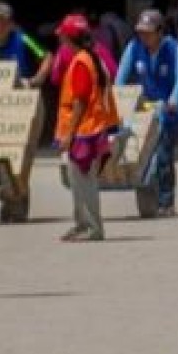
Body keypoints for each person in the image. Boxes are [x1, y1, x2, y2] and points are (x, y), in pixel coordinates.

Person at [116, 10, 178, 216]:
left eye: (148, 32)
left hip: (167, 112)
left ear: (159, 32)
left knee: (164, 156)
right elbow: (121, 76)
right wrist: (119, 95)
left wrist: (174, 99)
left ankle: (167, 202)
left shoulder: (173, 48)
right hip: (142, 110)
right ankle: (147, 197)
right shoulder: (133, 48)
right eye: (141, 32)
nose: (143, 37)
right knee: (140, 153)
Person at [56, 14, 117, 242]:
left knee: (84, 182)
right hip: (91, 129)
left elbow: (80, 101)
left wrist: (68, 135)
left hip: (84, 132)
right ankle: (82, 224)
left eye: (62, 36)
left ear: (69, 38)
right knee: (78, 181)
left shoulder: (81, 61)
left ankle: (92, 227)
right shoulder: (92, 57)